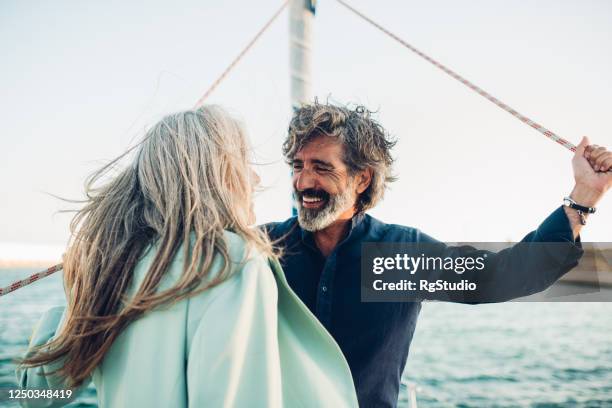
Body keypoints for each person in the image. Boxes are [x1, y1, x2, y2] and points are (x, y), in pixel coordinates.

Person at [264, 101, 612, 407]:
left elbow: (502, 276)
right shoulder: (262, 249)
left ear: (361, 179)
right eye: (298, 166)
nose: (303, 182)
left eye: (321, 168)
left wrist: (583, 196)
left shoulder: (396, 256)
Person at [16, 106, 359, 408]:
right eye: (243, 162)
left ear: (363, 180)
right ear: (216, 173)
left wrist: (78, 293)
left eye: (321, 167)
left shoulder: (112, 269)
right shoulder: (233, 262)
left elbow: (36, 396)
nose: (254, 178)